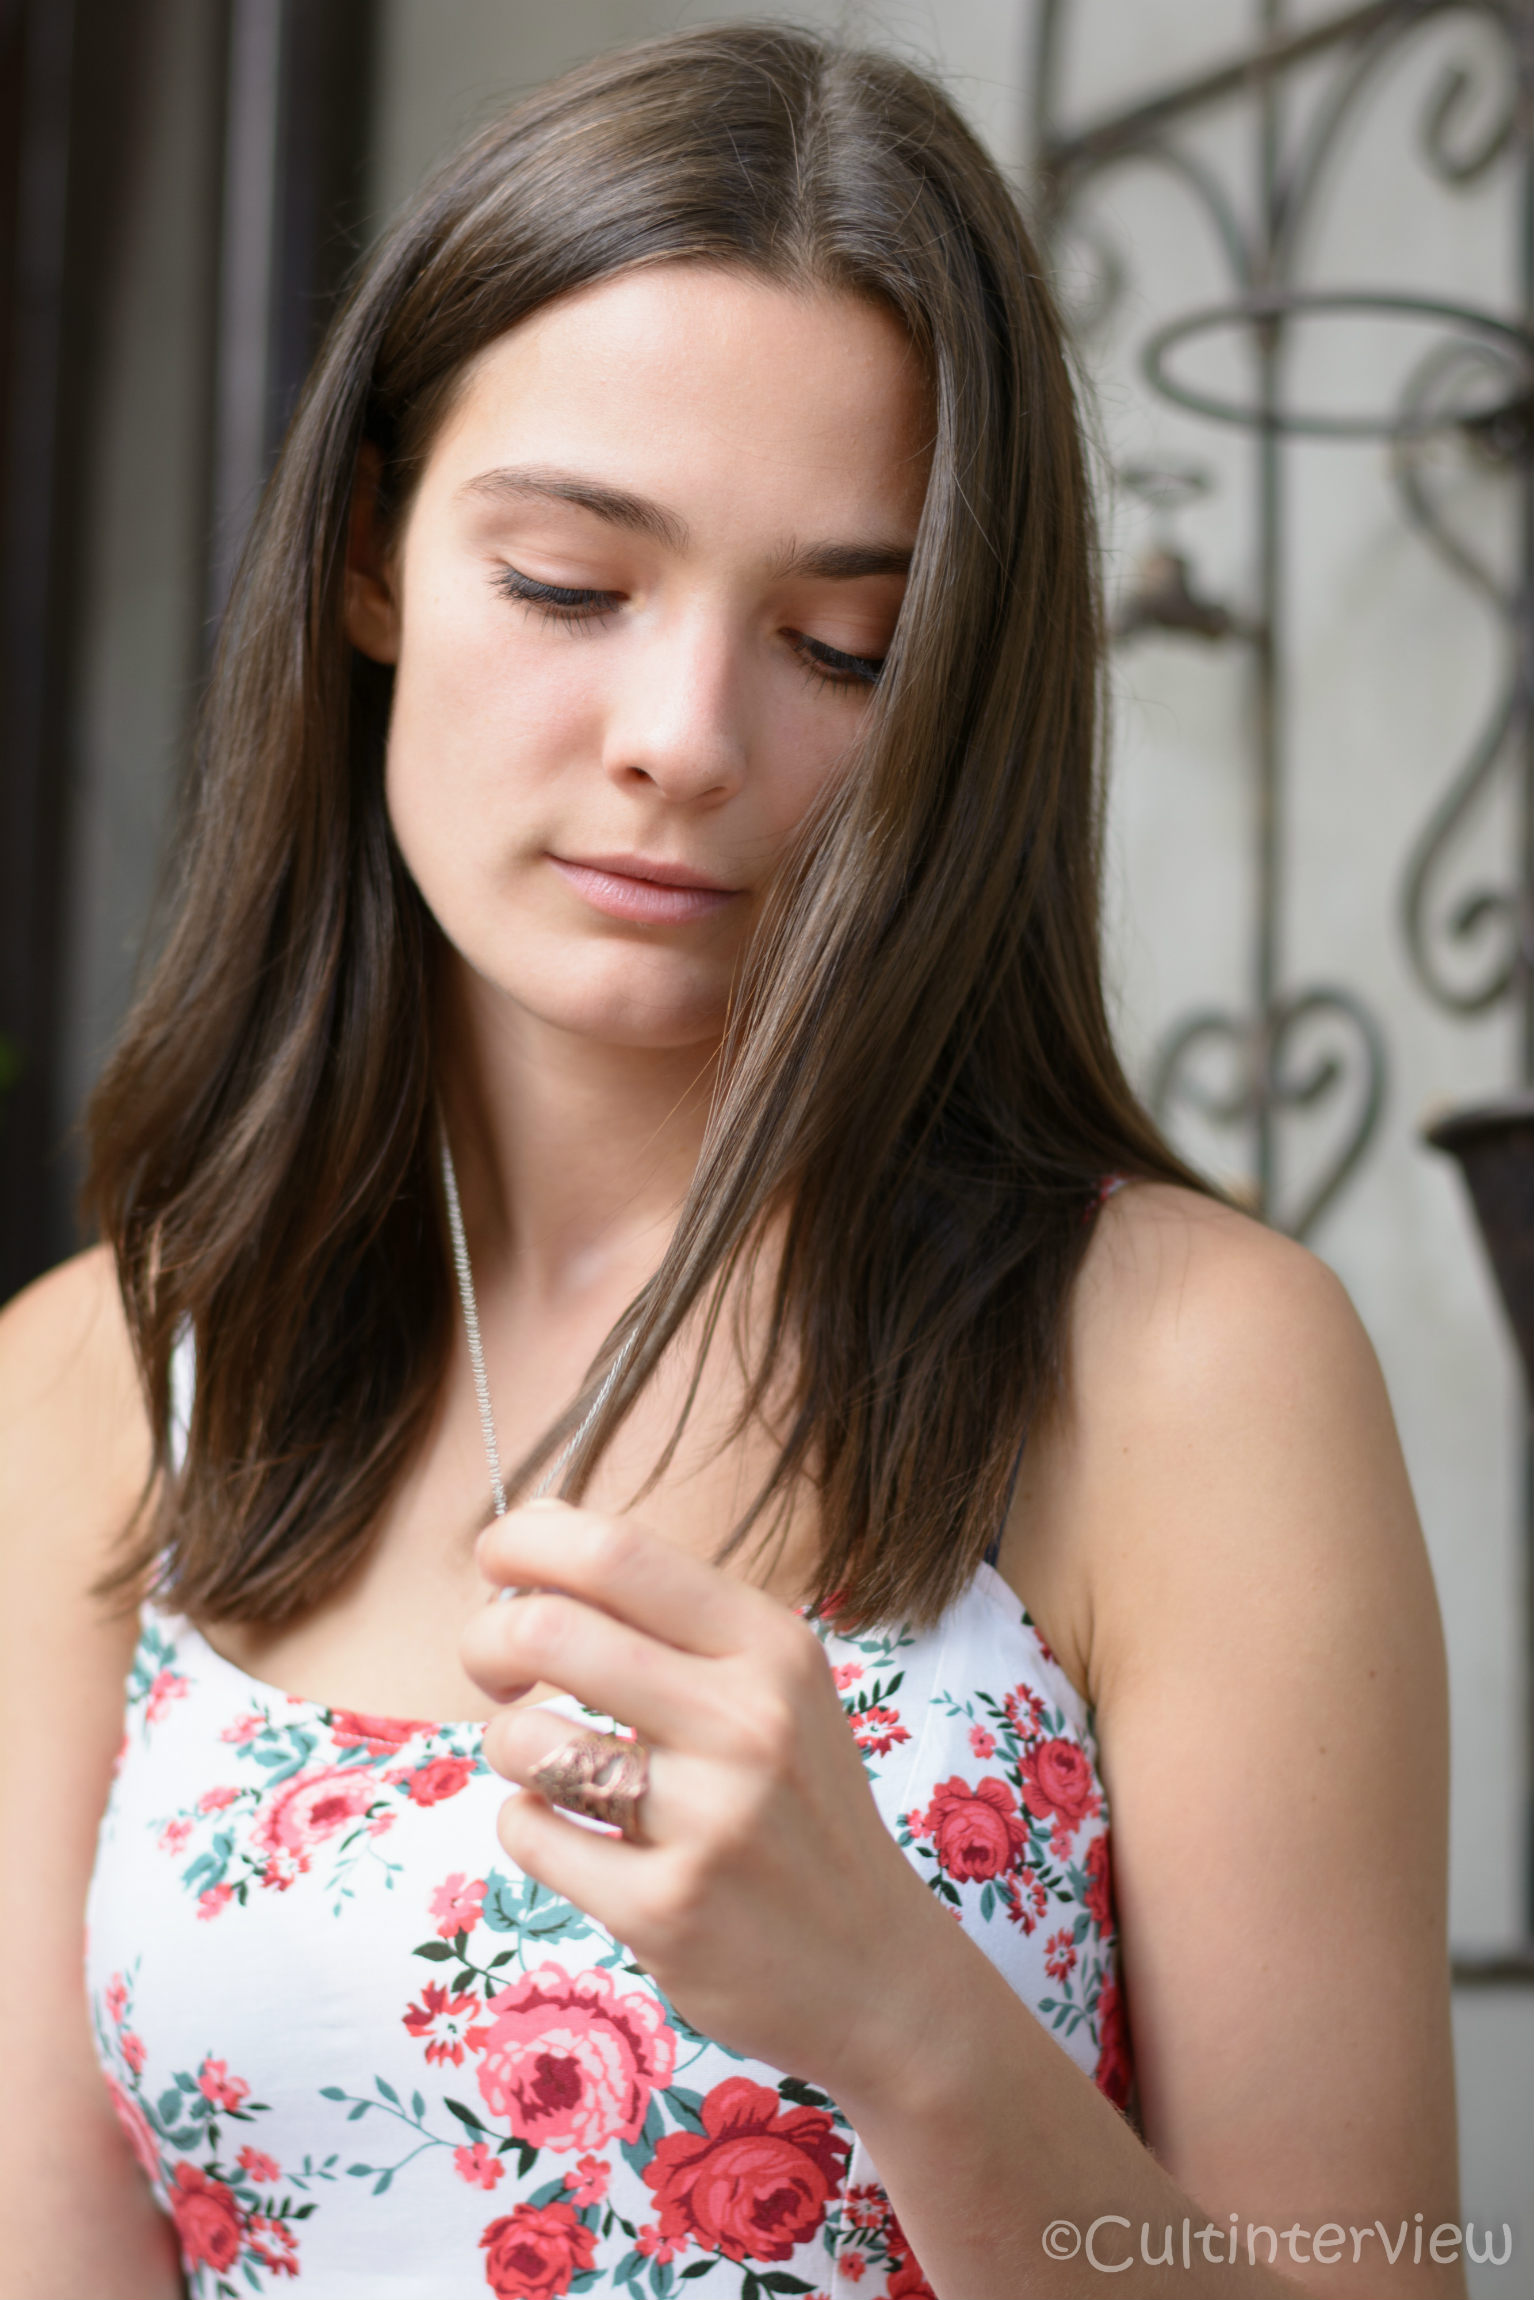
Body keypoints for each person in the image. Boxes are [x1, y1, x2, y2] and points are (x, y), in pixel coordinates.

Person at [0, 25, 1465, 2300]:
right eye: (567, 587)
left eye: (838, 646)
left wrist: (902, 2016)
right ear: (374, 556)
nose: (683, 741)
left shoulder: (1179, 1366)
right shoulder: (103, 1383)